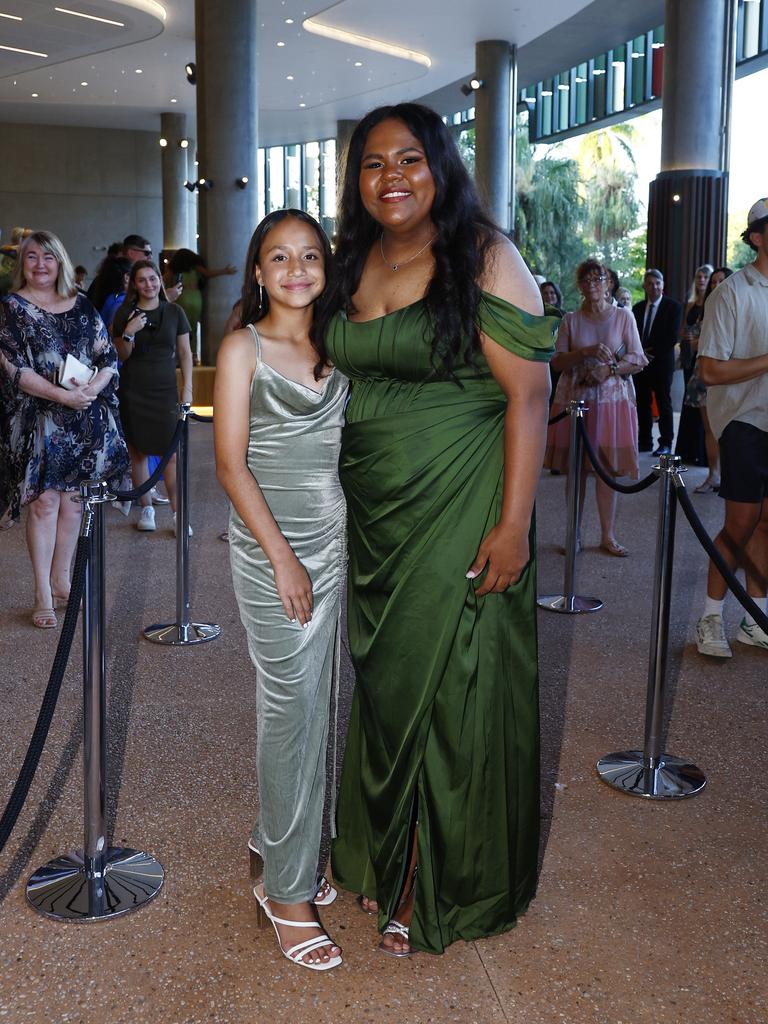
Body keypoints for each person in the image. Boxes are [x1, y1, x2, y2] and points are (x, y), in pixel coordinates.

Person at [318, 102, 556, 957]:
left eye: (409, 159)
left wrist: (515, 524)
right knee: (385, 688)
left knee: (456, 691)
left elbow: (529, 396)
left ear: (440, 166)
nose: (392, 177)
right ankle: (385, 853)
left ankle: (440, 882)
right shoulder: (351, 261)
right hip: (377, 521)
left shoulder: (485, 256)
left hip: (464, 507)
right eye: (374, 163)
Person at [214, 210, 348, 971]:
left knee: (316, 702)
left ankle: (276, 845)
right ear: (258, 272)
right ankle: (288, 893)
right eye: (278, 256)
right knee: (290, 705)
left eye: (309, 255)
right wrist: (284, 559)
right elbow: (231, 465)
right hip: (274, 548)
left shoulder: (337, 342)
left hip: (334, 537)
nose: (296, 268)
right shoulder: (243, 347)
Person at [0, 231, 128, 627]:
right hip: (39, 420)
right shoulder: (12, 307)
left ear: (61, 262)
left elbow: (108, 357)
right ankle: (42, 591)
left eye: (48, 258)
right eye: (32, 257)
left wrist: (91, 388)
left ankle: (62, 580)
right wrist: (61, 395)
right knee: (44, 503)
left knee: (74, 503)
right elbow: (11, 367)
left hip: (82, 419)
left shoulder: (83, 305)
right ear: (23, 263)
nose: (40, 265)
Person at [694, 200, 768, 657]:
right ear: (756, 237)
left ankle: (756, 619)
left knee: (766, 526)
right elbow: (709, 371)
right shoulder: (734, 292)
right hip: (743, 423)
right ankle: (710, 617)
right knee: (740, 525)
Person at [545, 259, 647, 556]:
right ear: (579, 286)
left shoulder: (623, 317)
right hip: (575, 401)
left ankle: (608, 534)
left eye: (598, 279)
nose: (593, 284)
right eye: (586, 280)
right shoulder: (571, 320)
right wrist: (585, 352)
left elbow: (638, 359)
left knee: (607, 470)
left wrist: (610, 369)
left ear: (608, 283)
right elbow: (557, 360)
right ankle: (573, 534)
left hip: (611, 401)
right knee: (576, 470)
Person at [112, 260, 192, 532]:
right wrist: (128, 333)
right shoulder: (125, 313)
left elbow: (185, 354)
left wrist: (188, 388)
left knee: (170, 455)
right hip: (134, 389)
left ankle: (178, 514)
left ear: (160, 279)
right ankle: (146, 509)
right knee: (138, 454)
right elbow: (122, 355)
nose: (149, 284)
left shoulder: (175, 311)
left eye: (153, 278)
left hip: (165, 389)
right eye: (142, 280)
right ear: (134, 284)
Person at [683, 266, 733, 493]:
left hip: (729, 373)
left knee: (730, 428)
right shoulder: (706, 308)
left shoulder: (736, 307)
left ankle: (731, 476)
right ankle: (713, 474)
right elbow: (692, 341)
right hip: (702, 372)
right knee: (709, 428)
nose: (716, 285)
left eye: (721, 280)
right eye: (714, 282)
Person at [632, 269, 682, 455]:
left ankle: (666, 443)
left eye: (658, 283)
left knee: (663, 403)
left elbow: (672, 337)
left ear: (663, 285)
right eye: (650, 283)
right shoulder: (637, 308)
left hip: (661, 363)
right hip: (640, 364)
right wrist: (639, 354)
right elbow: (633, 334)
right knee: (642, 402)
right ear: (645, 286)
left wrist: (649, 354)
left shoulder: (673, 307)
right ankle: (645, 441)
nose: (654, 287)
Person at [167, 248, 237, 363]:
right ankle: (193, 355)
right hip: (195, 297)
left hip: (181, 297)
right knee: (193, 327)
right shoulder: (195, 267)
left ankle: (179, 354)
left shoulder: (174, 269)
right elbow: (208, 274)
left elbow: (163, 278)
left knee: (180, 327)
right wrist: (225, 271)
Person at [675, 264, 713, 468]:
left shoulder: (713, 303)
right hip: (690, 355)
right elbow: (683, 329)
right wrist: (685, 338)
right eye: (698, 276)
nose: (701, 280)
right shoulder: (690, 304)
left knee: (704, 403)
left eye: (705, 276)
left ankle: (702, 452)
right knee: (689, 402)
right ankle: (687, 449)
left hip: (706, 353)